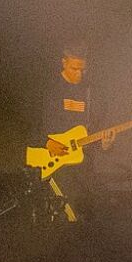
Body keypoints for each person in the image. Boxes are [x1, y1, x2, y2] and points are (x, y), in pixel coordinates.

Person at [39, 43, 112, 221]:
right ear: (63, 62)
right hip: (55, 163)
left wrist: (105, 145)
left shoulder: (89, 92)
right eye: (74, 68)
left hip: (83, 161)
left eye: (83, 70)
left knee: (100, 203)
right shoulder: (51, 88)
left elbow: (93, 130)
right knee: (71, 208)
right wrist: (47, 142)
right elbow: (34, 123)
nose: (79, 74)